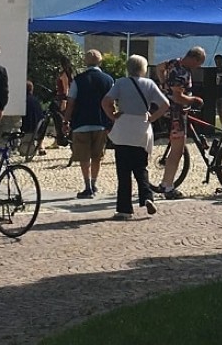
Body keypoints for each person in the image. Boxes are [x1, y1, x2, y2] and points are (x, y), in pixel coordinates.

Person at [103, 55, 169, 219]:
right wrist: (153, 118)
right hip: (141, 127)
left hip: (124, 127)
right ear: (144, 69)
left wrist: (112, 115)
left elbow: (106, 101)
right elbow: (165, 104)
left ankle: (124, 209)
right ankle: (147, 197)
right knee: (141, 168)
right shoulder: (149, 84)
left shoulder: (121, 83)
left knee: (123, 171)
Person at [64, 50, 114, 199]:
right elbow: (111, 102)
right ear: (100, 62)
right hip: (101, 122)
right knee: (97, 156)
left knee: (84, 156)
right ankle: (94, 182)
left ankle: (87, 186)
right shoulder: (108, 80)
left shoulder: (78, 80)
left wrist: (65, 120)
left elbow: (71, 103)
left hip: (81, 122)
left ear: (86, 62)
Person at [156, 47, 205, 198]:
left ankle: (165, 183)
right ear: (194, 59)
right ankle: (168, 187)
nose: (198, 67)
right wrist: (194, 100)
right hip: (177, 113)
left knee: (176, 148)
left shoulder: (173, 62)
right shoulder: (182, 73)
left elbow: (159, 67)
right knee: (177, 151)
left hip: (167, 110)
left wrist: (163, 83)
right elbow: (178, 97)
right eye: (199, 63)